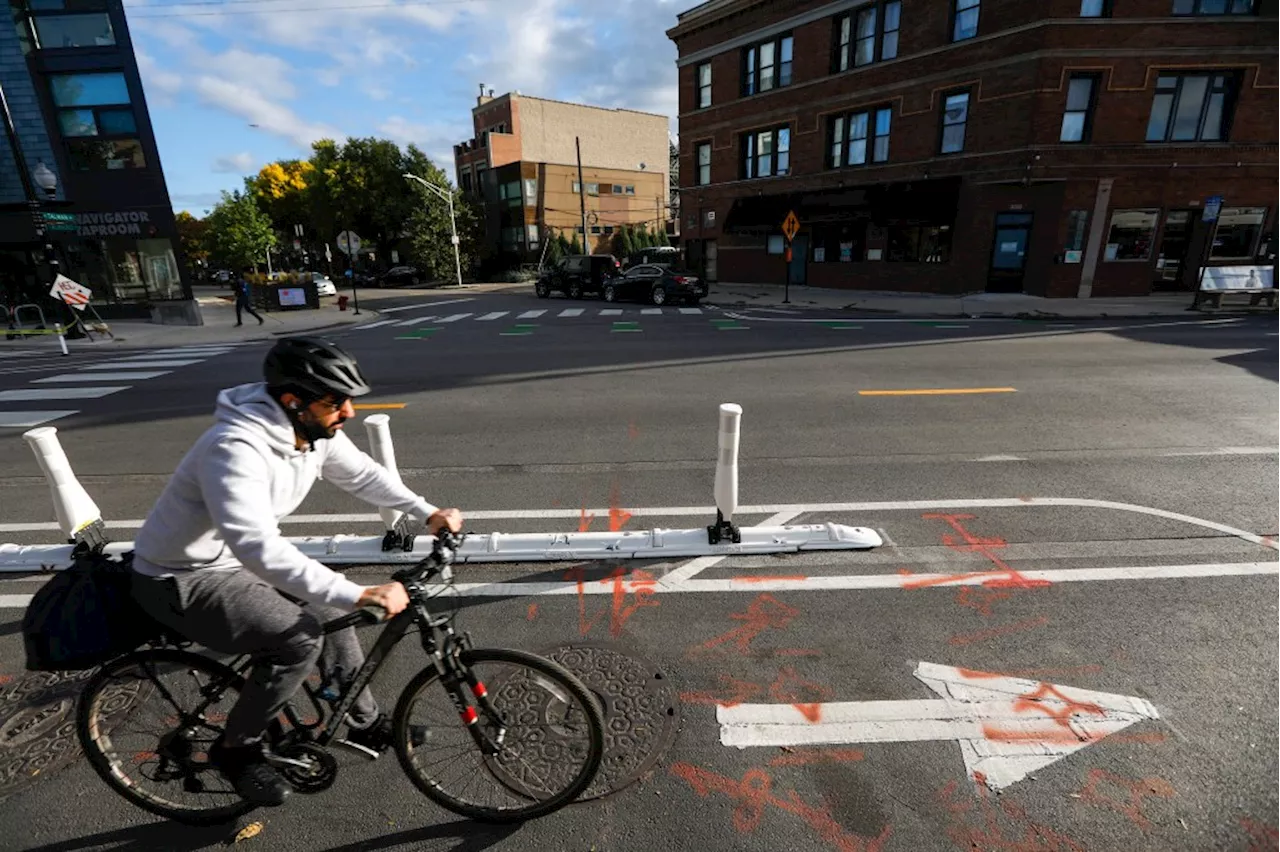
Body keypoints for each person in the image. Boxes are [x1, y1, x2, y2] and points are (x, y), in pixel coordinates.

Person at [130, 337, 463, 807]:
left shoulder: (308, 429)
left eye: (348, 400)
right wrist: (359, 592)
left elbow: (362, 474)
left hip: (230, 563)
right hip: (180, 577)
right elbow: (255, 546)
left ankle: (364, 724)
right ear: (293, 401)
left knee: (330, 606)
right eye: (336, 402)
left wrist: (426, 511)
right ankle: (236, 751)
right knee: (299, 637)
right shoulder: (235, 449)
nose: (348, 412)